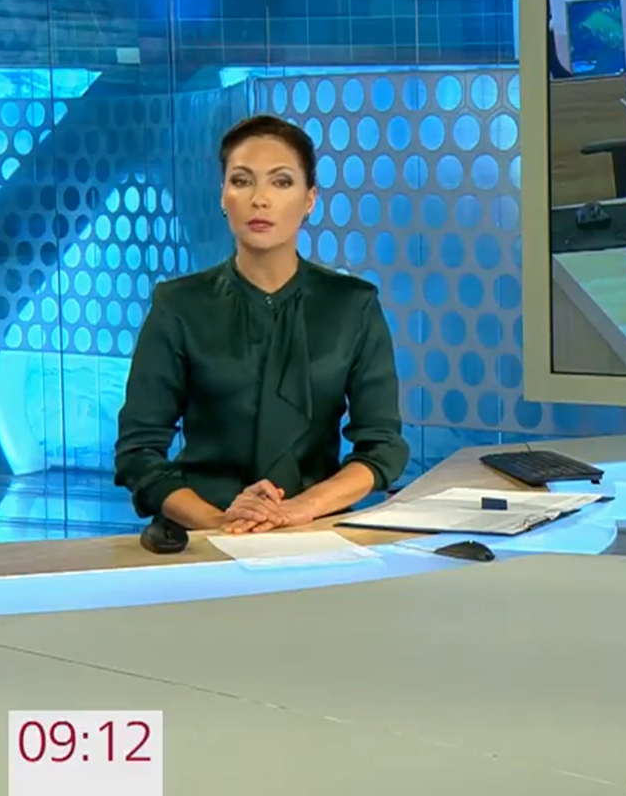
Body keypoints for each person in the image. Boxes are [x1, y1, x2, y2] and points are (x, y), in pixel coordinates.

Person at [114, 115, 409, 533]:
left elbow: (382, 448)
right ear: (223, 195)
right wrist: (221, 521)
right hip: (203, 533)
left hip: (314, 532)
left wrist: (299, 509)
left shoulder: (353, 306)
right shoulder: (177, 306)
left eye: (281, 182)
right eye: (242, 181)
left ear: (310, 199)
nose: (260, 199)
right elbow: (138, 452)